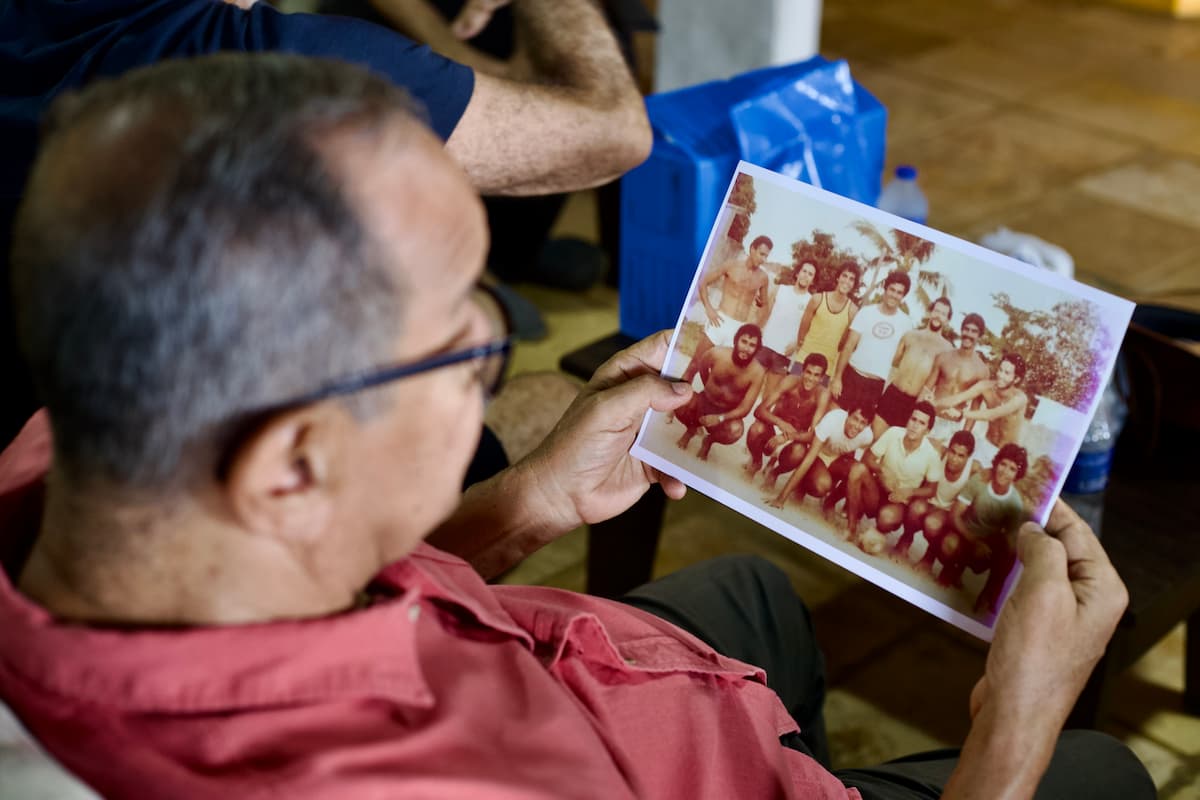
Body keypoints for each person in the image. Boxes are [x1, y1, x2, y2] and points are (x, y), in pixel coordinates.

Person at [0, 55, 1153, 800]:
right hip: (613, 737)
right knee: (1098, 774)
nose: (490, 376)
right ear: (293, 463)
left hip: (587, 673)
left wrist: (532, 501)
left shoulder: (69, 460)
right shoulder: (459, 776)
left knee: (751, 593)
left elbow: (309, 587)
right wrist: (1015, 724)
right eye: (464, 349)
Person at [0, 0, 651, 448]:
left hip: (56, 484)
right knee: (544, 395)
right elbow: (614, 131)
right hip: (178, 500)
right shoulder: (266, 65)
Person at [944, 444, 1032, 616]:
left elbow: (1010, 542)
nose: (1005, 472)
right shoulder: (980, 480)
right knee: (949, 544)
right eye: (1003, 464)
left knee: (1011, 551)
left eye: (1012, 469)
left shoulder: (1014, 503)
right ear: (996, 463)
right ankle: (952, 571)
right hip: (965, 536)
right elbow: (954, 516)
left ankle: (988, 596)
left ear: (1017, 475)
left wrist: (993, 547)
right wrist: (974, 541)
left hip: (987, 547)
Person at [843, 402, 942, 553]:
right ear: (908, 420)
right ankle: (851, 527)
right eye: (913, 419)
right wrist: (882, 470)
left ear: (927, 430)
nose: (915, 425)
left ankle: (879, 532)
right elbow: (867, 459)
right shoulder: (894, 432)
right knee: (858, 469)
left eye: (921, 423)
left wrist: (910, 491)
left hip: (898, 500)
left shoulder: (931, 454)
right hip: (878, 490)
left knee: (886, 519)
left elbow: (932, 490)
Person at [831, 270, 914, 421]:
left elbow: (900, 360)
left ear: (903, 296)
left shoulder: (907, 323)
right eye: (892, 290)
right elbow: (849, 346)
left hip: (875, 386)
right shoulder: (866, 313)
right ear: (885, 289)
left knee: (855, 431)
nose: (894, 295)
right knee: (833, 419)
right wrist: (837, 378)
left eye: (899, 292)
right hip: (852, 376)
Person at [675, 324, 767, 461]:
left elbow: (745, 408)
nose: (746, 348)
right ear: (736, 341)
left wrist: (720, 418)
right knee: (681, 401)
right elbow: (702, 366)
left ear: (757, 349)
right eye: (744, 342)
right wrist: (708, 388)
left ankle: (709, 441)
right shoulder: (717, 353)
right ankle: (691, 429)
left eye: (752, 345)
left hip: (725, 414)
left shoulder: (757, 373)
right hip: (704, 401)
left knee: (736, 430)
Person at [895, 430, 980, 569]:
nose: (954, 458)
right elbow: (922, 440)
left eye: (961, 456)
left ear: (968, 457)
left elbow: (986, 480)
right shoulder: (940, 453)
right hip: (928, 500)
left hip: (947, 512)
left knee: (932, 523)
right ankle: (906, 538)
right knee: (915, 509)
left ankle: (930, 556)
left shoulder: (974, 468)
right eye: (953, 452)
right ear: (949, 448)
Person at [766, 403, 875, 510]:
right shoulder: (833, 419)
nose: (857, 426)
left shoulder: (867, 437)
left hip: (834, 458)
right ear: (848, 415)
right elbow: (809, 458)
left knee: (847, 474)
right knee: (804, 461)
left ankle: (821, 498)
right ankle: (777, 472)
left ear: (867, 425)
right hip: (817, 452)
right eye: (855, 419)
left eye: (862, 423)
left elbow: (850, 447)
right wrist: (781, 499)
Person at [935, 352, 1030, 469]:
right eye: (1000, 370)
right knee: (958, 463)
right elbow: (959, 398)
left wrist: (961, 414)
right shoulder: (987, 387)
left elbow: (992, 415)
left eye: (1007, 373)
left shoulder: (1020, 399)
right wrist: (934, 403)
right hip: (987, 444)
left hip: (1007, 454)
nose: (1000, 375)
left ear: (1016, 379)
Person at [744, 353, 829, 482]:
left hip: (796, 437)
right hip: (774, 429)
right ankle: (756, 462)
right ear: (802, 371)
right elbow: (759, 410)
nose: (811, 378)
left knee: (799, 452)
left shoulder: (822, 395)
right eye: (808, 372)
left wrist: (787, 437)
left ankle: (775, 473)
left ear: (822, 378)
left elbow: (813, 435)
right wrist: (781, 423)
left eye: (816, 375)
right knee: (756, 429)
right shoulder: (790, 382)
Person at [877, 296, 953, 438]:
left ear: (947, 320)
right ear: (930, 312)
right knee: (874, 440)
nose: (938, 316)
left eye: (943, 314)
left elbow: (944, 384)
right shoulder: (910, 335)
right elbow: (892, 364)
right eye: (936, 311)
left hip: (914, 405)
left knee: (896, 448)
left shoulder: (948, 349)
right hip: (893, 394)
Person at [687, 235, 772, 352]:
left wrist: (757, 326)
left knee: (722, 368)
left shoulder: (763, 278)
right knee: (696, 362)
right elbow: (703, 282)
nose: (764, 259)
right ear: (752, 249)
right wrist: (709, 308)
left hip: (740, 327)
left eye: (766, 256)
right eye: (761, 254)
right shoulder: (732, 265)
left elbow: (765, 306)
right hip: (720, 320)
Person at [922, 312, 990, 445]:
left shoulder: (982, 370)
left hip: (953, 426)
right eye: (966, 329)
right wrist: (917, 415)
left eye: (974, 331)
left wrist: (964, 437)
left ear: (979, 336)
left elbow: (975, 409)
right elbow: (926, 389)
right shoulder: (943, 357)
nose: (968, 334)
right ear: (961, 330)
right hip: (932, 417)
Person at [757, 260, 817, 398]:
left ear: (813, 280)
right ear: (797, 273)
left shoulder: (811, 301)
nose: (806, 276)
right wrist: (758, 331)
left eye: (810, 274)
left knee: (768, 396)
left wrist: (796, 345)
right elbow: (766, 311)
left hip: (784, 353)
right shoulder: (781, 289)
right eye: (804, 271)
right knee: (749, 385)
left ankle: (758, 420)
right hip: (764, 345)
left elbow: (808, 329)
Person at [791, 261, 860, 373]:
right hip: (804, 359)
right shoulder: (817, 299)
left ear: (854, 285)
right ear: (838, 277)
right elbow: (803, 327)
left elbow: (843, 343)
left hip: (827, 367)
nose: (846, 281)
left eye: (851, 279)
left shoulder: (853, 311)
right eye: (844, 276)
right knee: (788, 390)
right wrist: (800, 347)